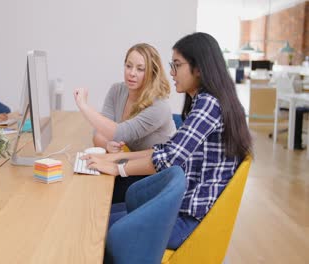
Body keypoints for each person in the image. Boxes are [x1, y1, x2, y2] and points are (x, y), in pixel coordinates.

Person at [82, 32, 253, 250]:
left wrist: (118, 168)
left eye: (177, 65)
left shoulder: (209, 105)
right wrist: (116, 158)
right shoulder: (205, 101)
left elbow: (169, 159)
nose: (171, 72)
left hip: (186, 219)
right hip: (180, 208)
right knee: (102, 213)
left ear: (198, 68)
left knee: (99, 225)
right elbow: (166, 150)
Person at [73, 43, 176, 153]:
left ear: (153, 73)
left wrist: (83, 105)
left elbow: (119, 133)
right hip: (132, 161)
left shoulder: (159, 107)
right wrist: (107, 145)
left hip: (161, 168)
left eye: (140, 69)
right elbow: (100, 132)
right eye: (128, 66)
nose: (132, 73)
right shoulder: (116, 90)